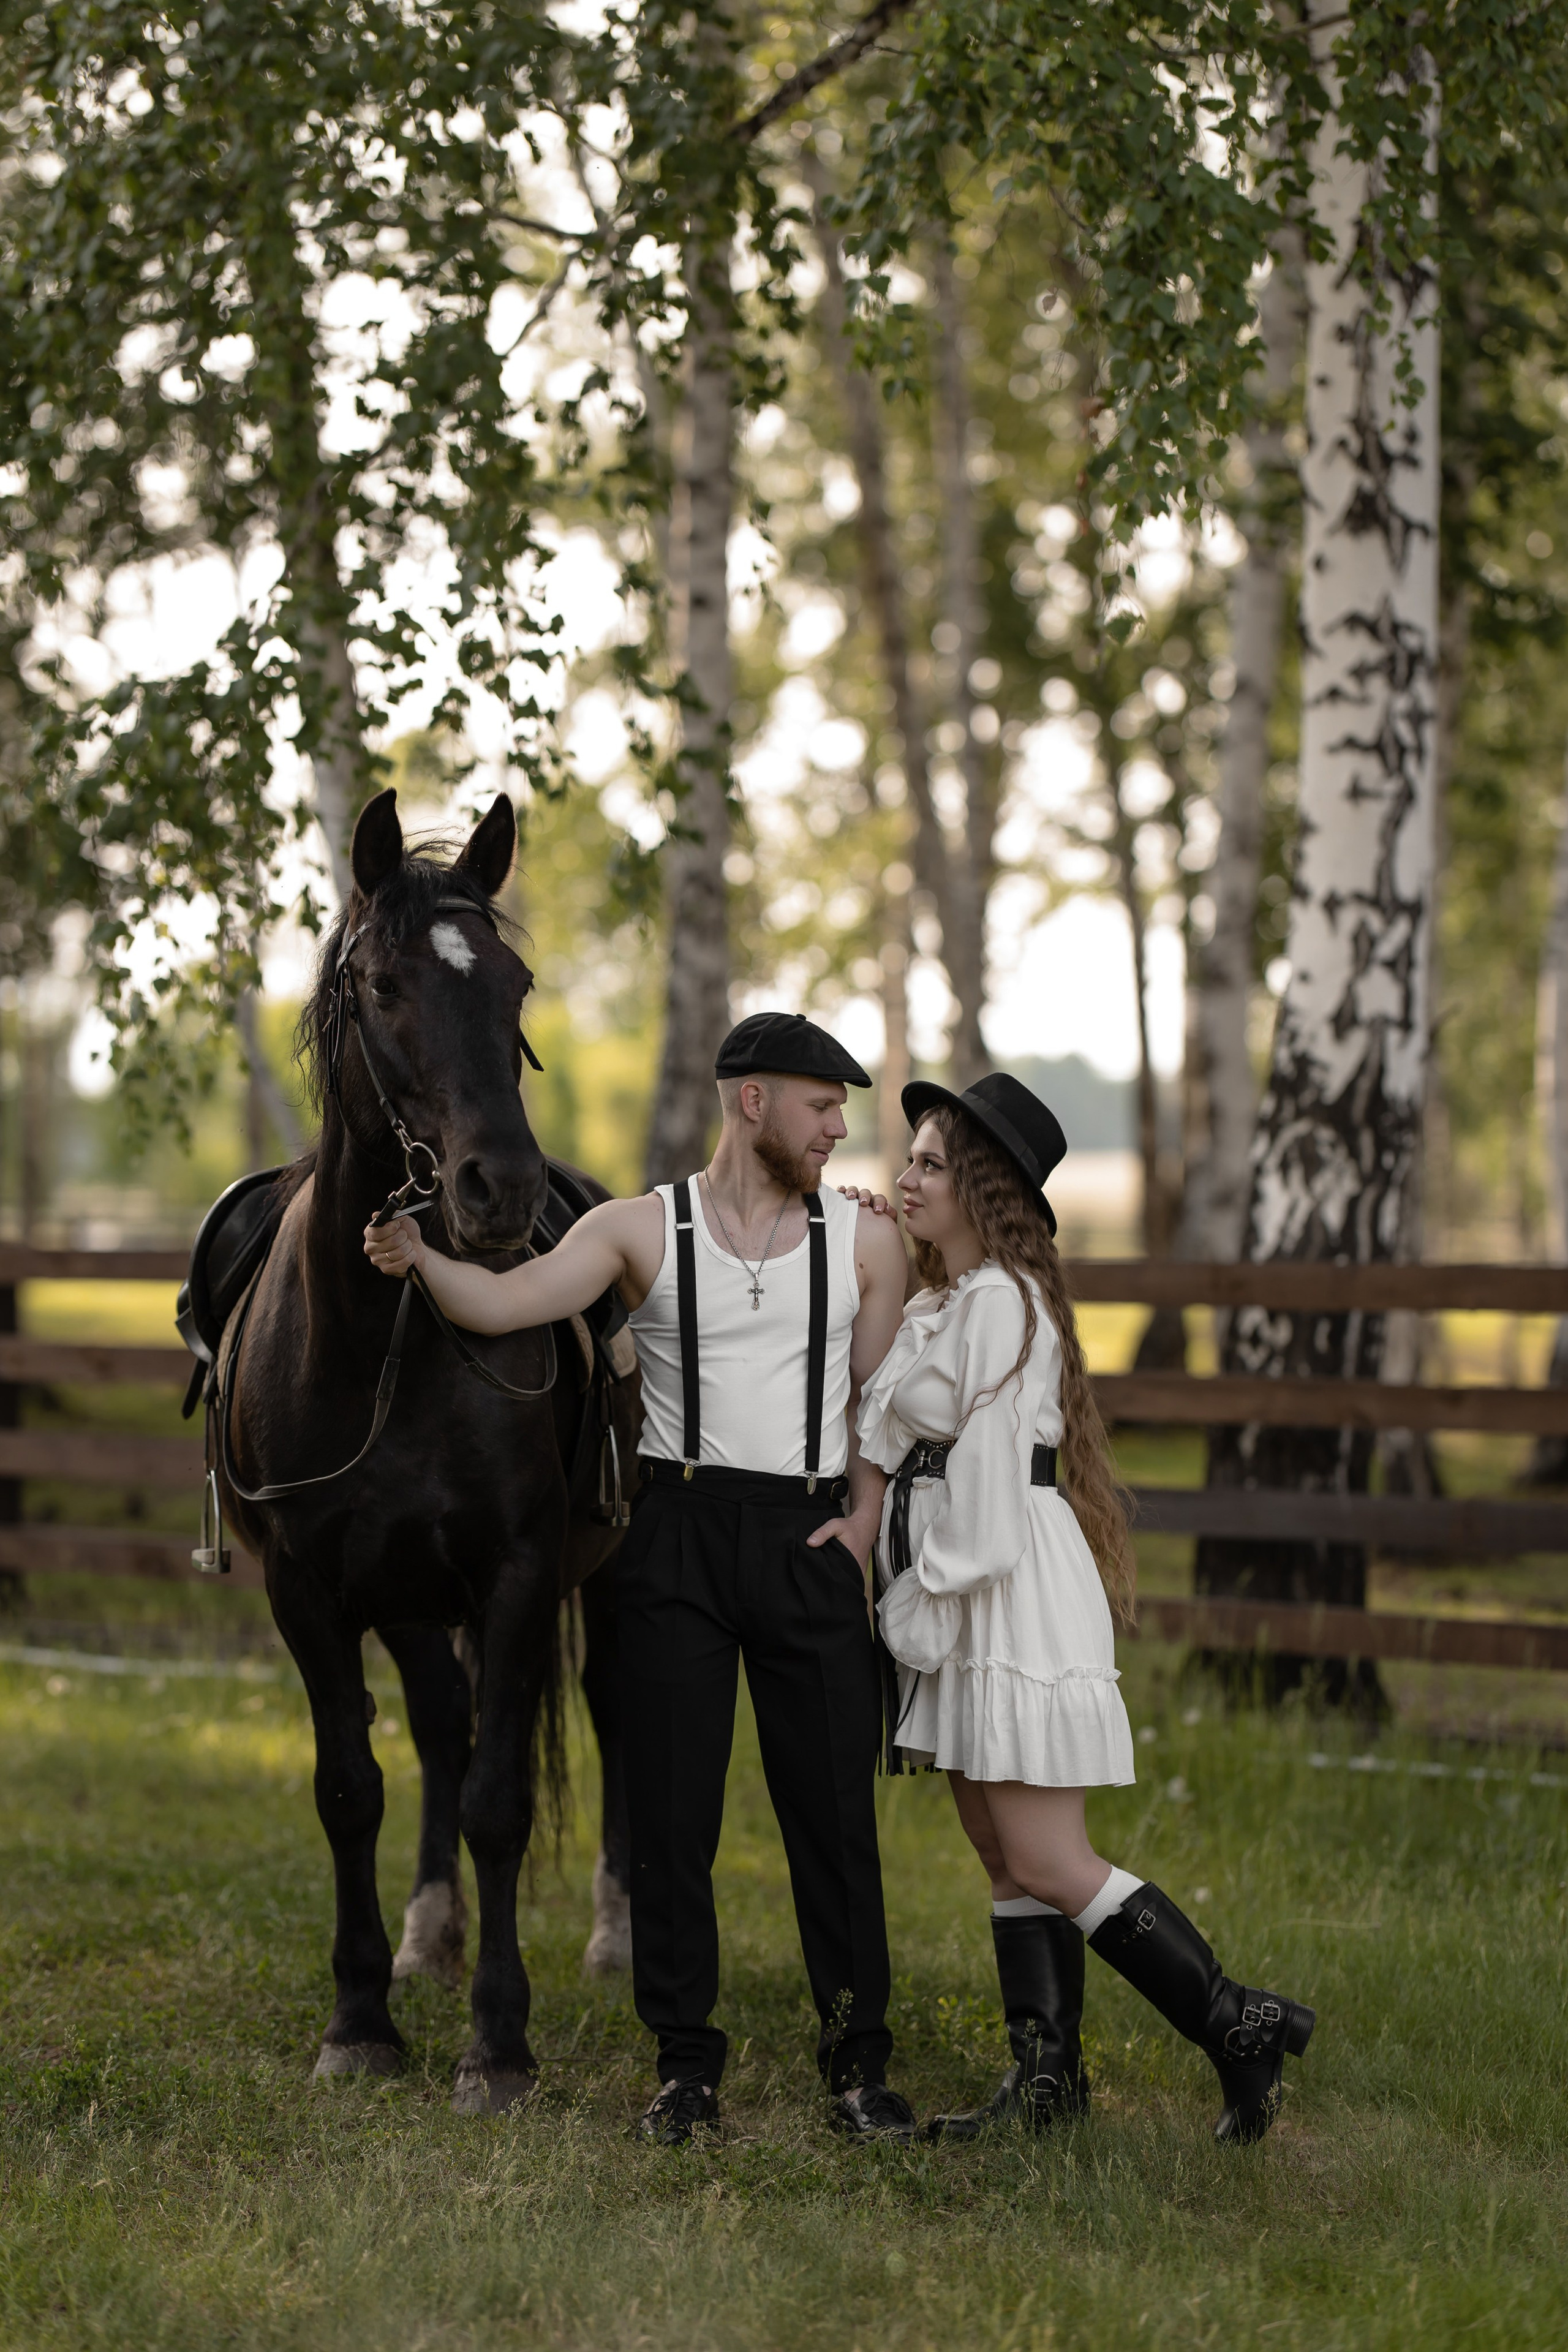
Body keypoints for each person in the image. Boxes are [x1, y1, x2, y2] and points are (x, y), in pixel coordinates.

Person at [364, 1011, 916, 2146]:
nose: (840, 1128)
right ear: (751, 1101)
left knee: (833, 1817)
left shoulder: (865, 1244)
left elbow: (881, 1399)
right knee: (674, 1818)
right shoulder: (636, 1229)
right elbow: (511, 1302)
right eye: (822, 1106)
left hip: (809, 1543)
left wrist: (863, 1518)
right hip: (675, 1537)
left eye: (843, 1111)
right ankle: (685, 2067)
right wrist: (423, 1262)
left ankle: (858, 2066)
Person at [852, 1073, 1315, 2146]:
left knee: (1051, 1858)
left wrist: (921, 1592)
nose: (907, 1176)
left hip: (997, 1582)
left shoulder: (1005, 1304)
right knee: (1001, 1850)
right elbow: (880, 1407)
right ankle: (1048, 2078)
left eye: (929, 1163)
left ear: (983, 1186)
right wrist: (874, 1248)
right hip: (971, 1586)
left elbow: (992, 1480)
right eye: (909, 1158)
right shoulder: (951, 1302)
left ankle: (1235, 2021)